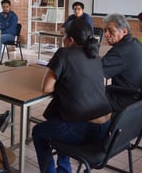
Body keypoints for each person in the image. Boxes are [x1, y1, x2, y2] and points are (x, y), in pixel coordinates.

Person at [32, 19, 112, 173]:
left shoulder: (63, 54)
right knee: (62, 120)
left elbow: (47, 87)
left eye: (64, 36)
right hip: (105, 128)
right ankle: (64, 169)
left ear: (70, 40)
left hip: (83, 129)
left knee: (38, 132)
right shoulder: (95, 56)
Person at [102, 13, 142, 92]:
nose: (106, 34)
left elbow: (95, 72)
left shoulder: (120, 52)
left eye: (111, 30)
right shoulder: (135, 42)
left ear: (124, 31)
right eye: (105, 30)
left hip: (127, 99)